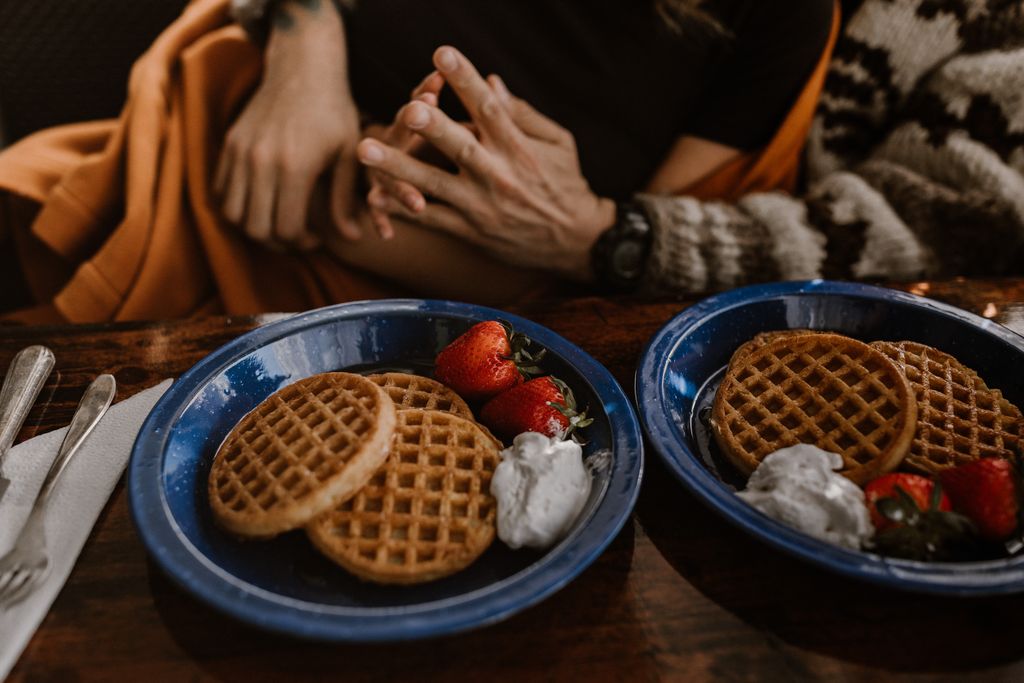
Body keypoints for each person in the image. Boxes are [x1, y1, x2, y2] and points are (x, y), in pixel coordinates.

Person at [218, 0, 838, 300]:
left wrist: (347, 188)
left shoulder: (780, 19)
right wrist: (304, 40)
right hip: (207, 164)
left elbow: (614, 264)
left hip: (481, 339)